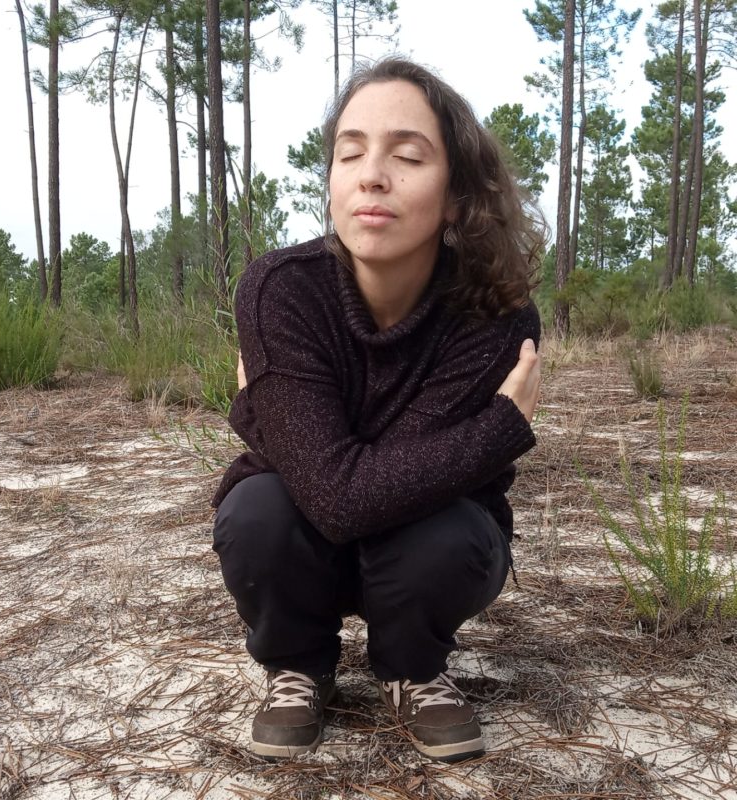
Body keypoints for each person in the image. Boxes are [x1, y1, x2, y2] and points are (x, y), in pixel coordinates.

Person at [211, 56, 544, 763]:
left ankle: (410, 666)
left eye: (408, 155)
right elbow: (334, 499)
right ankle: (299, 663)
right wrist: (498, 433)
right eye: (350, 151)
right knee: (258, 512)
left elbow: (363, 492)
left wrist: (260, 415)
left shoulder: (496, 314)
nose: (371, 174)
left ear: (456, 195)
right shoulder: (281, 291)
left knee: (445, 532)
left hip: (426, 543)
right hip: (306, 537)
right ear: (330, 179)